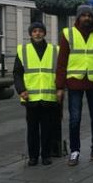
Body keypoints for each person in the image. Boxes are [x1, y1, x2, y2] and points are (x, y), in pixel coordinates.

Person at [56, 4, 93, 166]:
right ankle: (75, 151)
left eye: (90, 15)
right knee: (75, 119)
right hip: (75, 81)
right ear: (78, 18)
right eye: (84, 15)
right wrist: (59, 86)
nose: (87, 18)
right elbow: (62, 62)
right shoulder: (68, 34)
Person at [13, 22, 58, 166]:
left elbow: (60, 72)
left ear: (44, 33)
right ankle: (33, 156)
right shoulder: (23, 50)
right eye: (34, 31)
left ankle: (46, 155)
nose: (37, 33)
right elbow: (17, 73)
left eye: (40, 31)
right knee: (32, 129)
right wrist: (21, 90)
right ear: (30, 34)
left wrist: (60, 89)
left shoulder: (54, 50)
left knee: (47, 128)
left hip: (48, 96)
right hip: (30, 96)